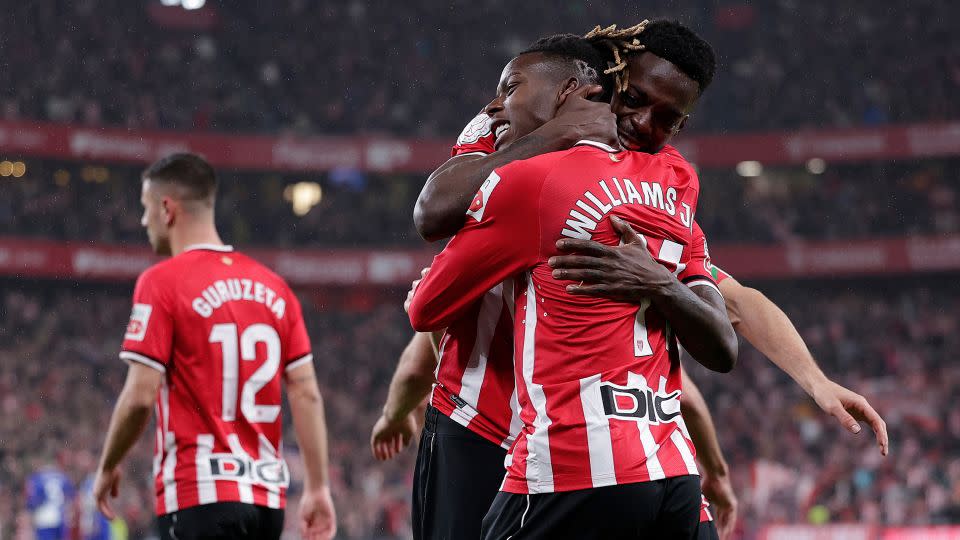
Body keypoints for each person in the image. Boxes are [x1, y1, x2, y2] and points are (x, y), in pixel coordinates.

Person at [407, 23, 738, 538]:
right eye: (633, 99)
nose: (642, 122)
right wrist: (549, 136)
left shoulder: (672, 177)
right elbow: (432, 214)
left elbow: (719, 303)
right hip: (483, 417)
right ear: (599, 85)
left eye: (668, 120)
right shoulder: (507, 117)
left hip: (574, 437)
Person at [91, 153, 336, 540]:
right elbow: (306, 392)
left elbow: (140, 395)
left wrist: (108, 465)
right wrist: (318, 487)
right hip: (266, 502)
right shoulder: (276, 289)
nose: (143, 221)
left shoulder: (162, 282)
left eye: (145, 209)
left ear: (167, 209)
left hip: (199, 493)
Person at [25, 457, 74, 540]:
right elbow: (71, 496)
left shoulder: (36, 479)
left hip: (44, 519)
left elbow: (33, 500)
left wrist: (30, 510)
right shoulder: (62, 477)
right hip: (60, 518)